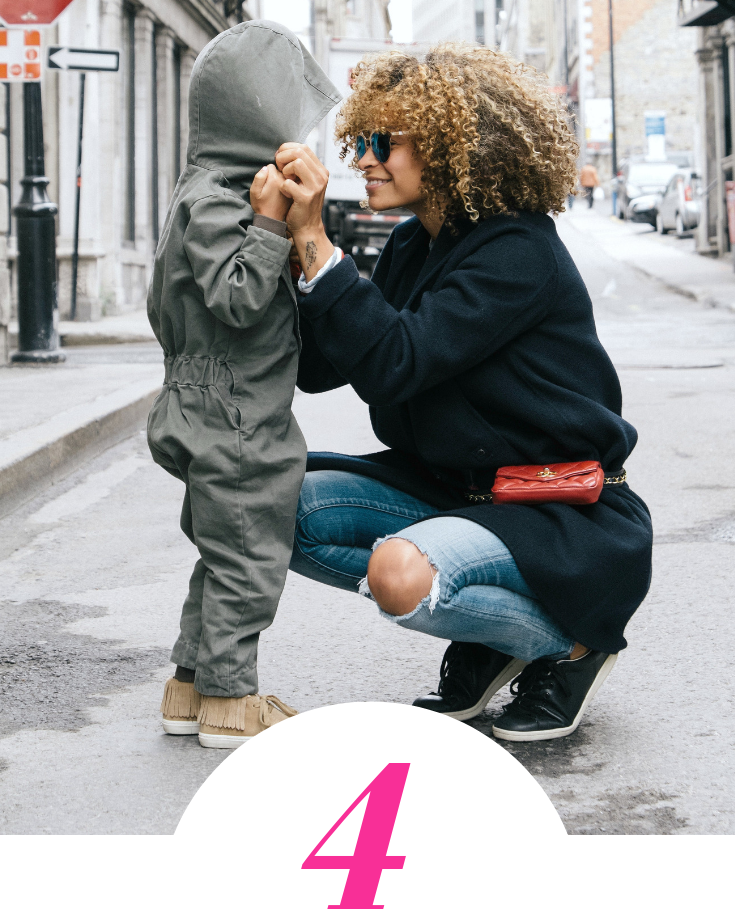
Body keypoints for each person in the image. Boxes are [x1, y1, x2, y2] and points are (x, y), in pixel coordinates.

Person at [278, 44, 653, 741]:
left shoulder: (516, 250)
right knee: (270, 510)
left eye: (381, 143)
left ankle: (567, 644)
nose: (362, 159)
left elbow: (395, 362)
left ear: (453, 145)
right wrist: (285, 240)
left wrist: (317, 241)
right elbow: (323, 367)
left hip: (556, 510)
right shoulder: (411, 246)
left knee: (400, 576)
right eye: (358, 140)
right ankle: (492, 634)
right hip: (450, 489)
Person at [146, 21, 339, 748]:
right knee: (251, 560)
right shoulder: (228, 201)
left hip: (200, 402)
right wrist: (268, 227)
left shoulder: (197, 192)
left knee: (220, 553)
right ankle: (231, 700)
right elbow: (235, 298)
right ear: (256, 116)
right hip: (237, 416)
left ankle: (189, 686)